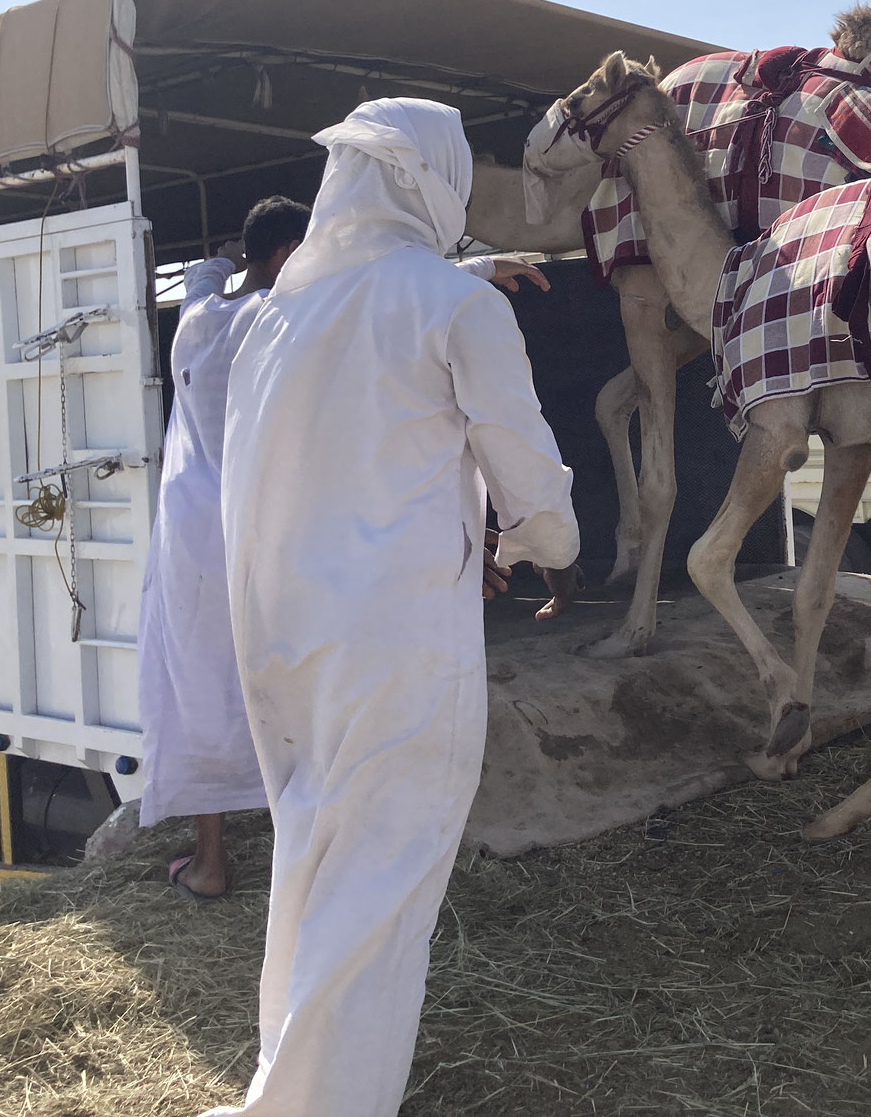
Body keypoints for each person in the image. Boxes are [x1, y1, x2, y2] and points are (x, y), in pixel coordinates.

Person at [211, 98, 580, 1116]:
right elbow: (524, 468)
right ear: (430, 181)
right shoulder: (452, 303)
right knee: (380, 881)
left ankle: (286, 1083)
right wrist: (546, 548)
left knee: (315, 852)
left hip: (284, 635)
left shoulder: (275, 317)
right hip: (396, 645)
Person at [138, 197, 311, 901]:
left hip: (190, 535)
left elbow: (204, 277)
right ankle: (299, 858)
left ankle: (210, 862)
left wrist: (224, 259)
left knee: (206, 689)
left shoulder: (199, 320)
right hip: (259, 529)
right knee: (289, 683)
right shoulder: (277, 321)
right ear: (287, 252)